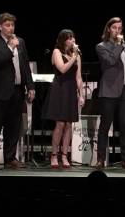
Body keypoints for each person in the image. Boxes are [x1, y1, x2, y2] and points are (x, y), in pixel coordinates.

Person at [0, 12, 35, 169]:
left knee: (13, 127)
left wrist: (30, 86)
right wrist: (10, 47)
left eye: (12, 25)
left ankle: (10, 158)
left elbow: (25, 65)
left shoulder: (21, 42)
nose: (11, 28)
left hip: (17, 91)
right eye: (7, 25)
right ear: (0, 27)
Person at [95, 17, 125, 169]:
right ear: (109, 29)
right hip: (108, 92)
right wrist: (119, 45)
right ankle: (100, 159)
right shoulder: (101, 46)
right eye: (114, 28)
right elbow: (110, 61)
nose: (117, 31)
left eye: (120, 28)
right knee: (105, 126)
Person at [42, 29, 84, 168]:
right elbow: (63, 69)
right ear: (63, 40)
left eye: (73, 38)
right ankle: (54, 155)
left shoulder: (76, 56)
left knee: (69, 124)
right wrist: (74, 57)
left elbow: (78, 77)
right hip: (59, 89)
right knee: (60, 123)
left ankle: (65, 155)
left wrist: (81, 94)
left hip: (71, 90)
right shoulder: (56, 52)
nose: (72, 40)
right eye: (69, 38)